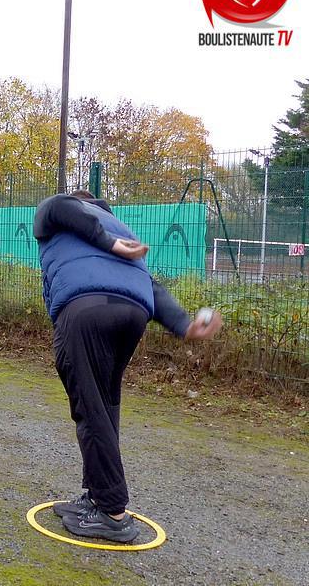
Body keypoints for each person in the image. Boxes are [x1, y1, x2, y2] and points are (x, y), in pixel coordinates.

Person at [35, 190, 222, 543]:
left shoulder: (59, 211)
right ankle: (96, 496)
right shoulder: (122, 228)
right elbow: (151, 285)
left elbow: (59, 205)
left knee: (91, 409)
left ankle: (112, 513)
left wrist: (108, 242)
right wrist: (183, 325)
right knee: (104, 406)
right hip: (132, 313)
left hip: (86, 309)